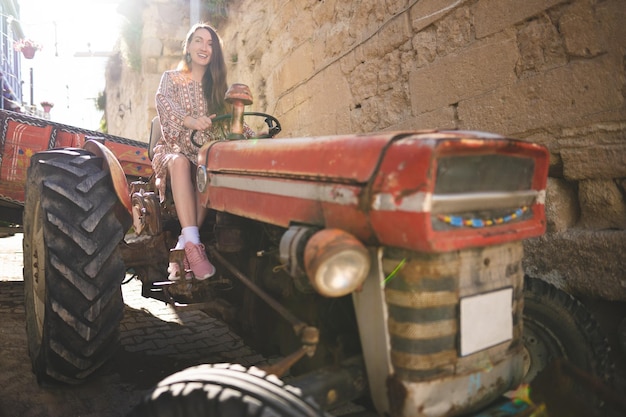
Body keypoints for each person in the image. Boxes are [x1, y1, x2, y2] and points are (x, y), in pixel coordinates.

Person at [152, 23, 254, 280]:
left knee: (207, 169)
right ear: (188, 46)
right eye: (199, 41)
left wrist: (257, 137)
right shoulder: (171, 78)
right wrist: (190, 120)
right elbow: (163, 102)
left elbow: (234, 120)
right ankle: (195, 249)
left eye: (210, 44)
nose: (204, 47)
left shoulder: (218, 87)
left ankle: (182, 245)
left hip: (203, 153)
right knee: (179, 163)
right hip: (174, 147)